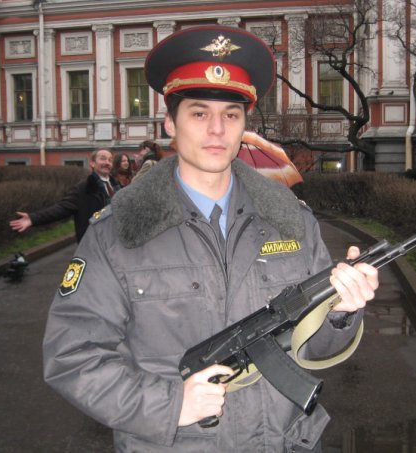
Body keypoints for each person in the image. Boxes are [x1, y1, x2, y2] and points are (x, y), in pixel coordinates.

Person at [43, 26, 378, 452]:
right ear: (170, 122)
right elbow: (72, 355)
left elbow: (311, 350)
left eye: (231, 115)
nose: (217, 130)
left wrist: (341, 315)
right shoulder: (118, 232)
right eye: (199, 114)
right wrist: (169, 406)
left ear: (244, 125)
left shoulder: (291, 221)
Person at [9, 148, 119, 242]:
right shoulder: (84, 188)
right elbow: (61, 209)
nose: (107, 163)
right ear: (92, 163)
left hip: (115, 242)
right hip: (94, 244)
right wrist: (33, 218)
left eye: (110, 160)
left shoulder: (116, 187)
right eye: (103, 159)